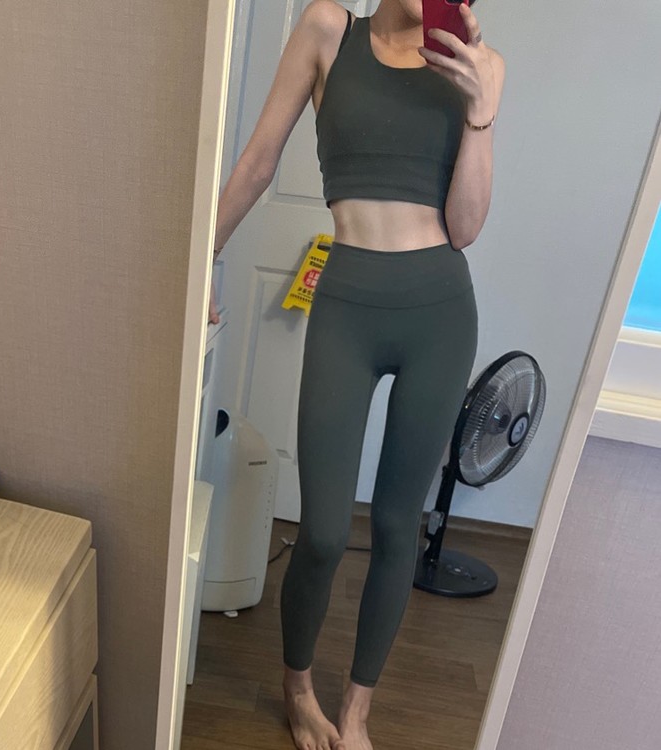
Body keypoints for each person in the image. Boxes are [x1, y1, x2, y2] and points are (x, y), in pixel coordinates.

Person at [208, 1, 505, 748]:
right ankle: (297, 688)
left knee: (399, 525)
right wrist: (200, 258)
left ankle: (358, 710)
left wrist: (481, 114)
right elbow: (258, 162)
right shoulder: (327, 31)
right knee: (323, 531)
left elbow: (466, 228)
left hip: (440, 312)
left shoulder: (479, 66)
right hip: (347, 307)